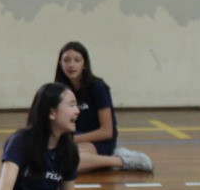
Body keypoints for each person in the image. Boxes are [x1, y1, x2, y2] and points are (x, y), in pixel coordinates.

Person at [53, 41, 153, 174]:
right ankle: (99, 159)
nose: (71, 65)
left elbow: (107, 132)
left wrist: (73, 139)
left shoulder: (97, 87)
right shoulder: (59, 90)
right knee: (53, 160)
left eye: (77, 60)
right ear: (60, 64)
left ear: (85, 65)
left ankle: (123, 160)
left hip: (99, 141)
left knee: (69, 163)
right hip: (74, 139)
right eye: (66, 60)